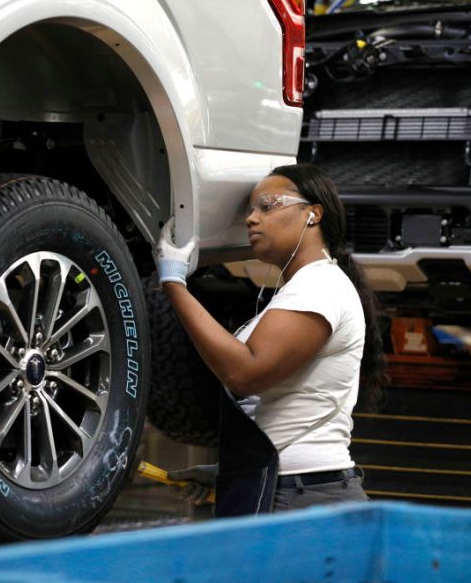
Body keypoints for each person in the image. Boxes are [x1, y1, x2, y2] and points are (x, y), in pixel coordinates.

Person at [154, 163, 387, 515]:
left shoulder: (320, 286)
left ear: (313, 214)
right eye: (250, 210)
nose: (251, 219)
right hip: (290, 487)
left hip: (302, 495)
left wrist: (173, 283)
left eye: (267, 205)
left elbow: (245, 373)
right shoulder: (305, 288)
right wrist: (232, 473)